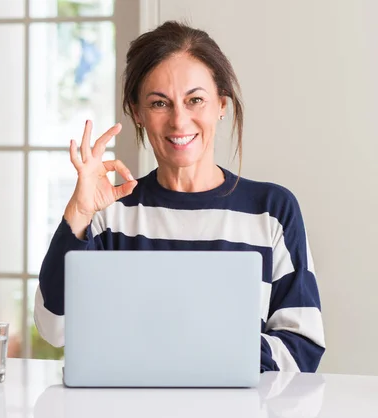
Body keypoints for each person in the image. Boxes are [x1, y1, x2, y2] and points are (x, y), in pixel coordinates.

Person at [33, 20, 325, 373]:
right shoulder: (111, 213)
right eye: (159, 103)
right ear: (137, 113)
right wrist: (79, 213)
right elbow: (54, 327)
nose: (179, 121)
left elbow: (302, 349)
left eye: (195, 100)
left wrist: (188, 348)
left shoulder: (272, 212)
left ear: (221, 104)